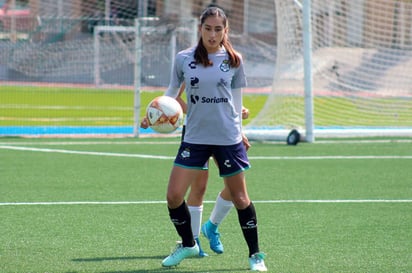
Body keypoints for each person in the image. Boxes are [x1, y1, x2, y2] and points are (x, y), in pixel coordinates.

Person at [147, 6, 267, 271]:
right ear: (199, 29)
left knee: (240, 198)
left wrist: (241, 132)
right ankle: (189, 243)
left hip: (227, 137)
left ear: (225, 31)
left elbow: (237, 102)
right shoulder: (183, 58)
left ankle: (255, 255)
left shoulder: (234, 59)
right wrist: (154, 113)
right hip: (195, 137)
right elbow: (170, 93)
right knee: (173, 196)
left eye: (218, 29)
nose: (212, 34)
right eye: (207, 28)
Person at [176, 84, 251, 257]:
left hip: (223, 131)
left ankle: (211, 226)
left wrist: (239, 113)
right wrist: (198, 114)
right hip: (196, 133)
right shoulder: (191, 62)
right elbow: (175, 98)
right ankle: (193, 241)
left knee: (235, 188)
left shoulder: (226, 64)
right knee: (199, 187)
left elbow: (228, 99)